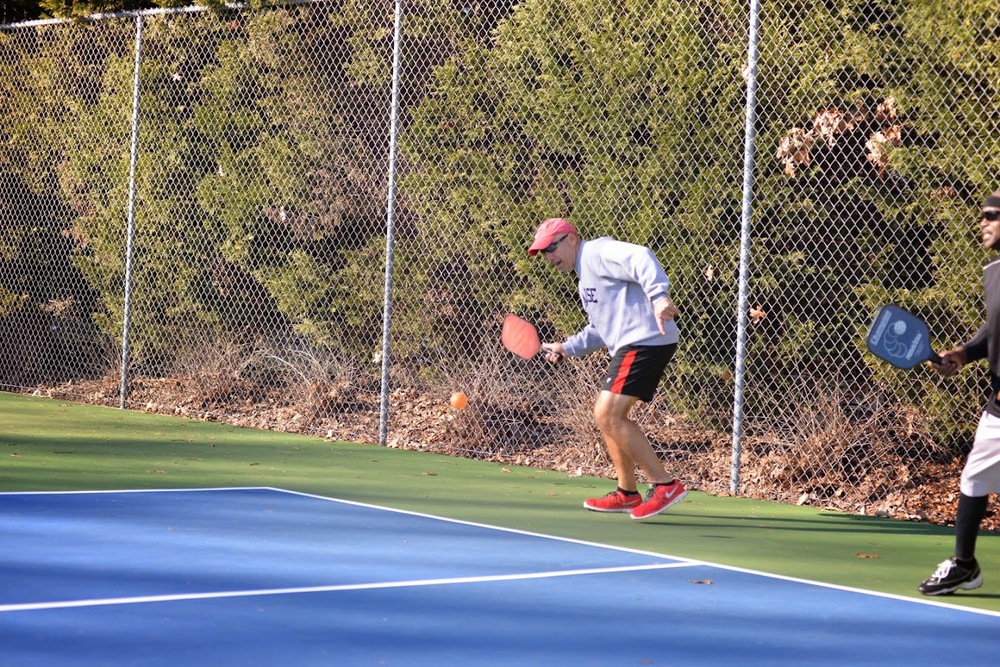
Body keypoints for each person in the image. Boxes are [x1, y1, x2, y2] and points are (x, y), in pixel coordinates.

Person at [527, 217, 686, 520]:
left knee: (607, 413)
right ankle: (627, 493)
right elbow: (601, 328)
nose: (548, 256)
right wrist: (566, 347)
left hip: (646, 339)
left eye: (551, 247)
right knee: (608, 415)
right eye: (542, 252)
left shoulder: (598, 253)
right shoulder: (584, 276)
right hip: (634, 342)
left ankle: (665, 485)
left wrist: (658, 295)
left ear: (571, 239)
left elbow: (640, 256)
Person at [920, 190, 1000, 595]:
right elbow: (993, 332)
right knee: (973, 479)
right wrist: (963, 354)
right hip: (998, 406)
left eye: (990, 215)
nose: (982, 223)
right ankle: (965, 565)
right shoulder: (995, 271)